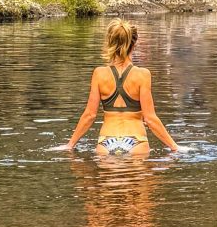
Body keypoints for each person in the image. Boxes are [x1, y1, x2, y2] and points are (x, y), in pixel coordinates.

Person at [63, 19, 179, 156]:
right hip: (136, 142)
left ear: (110, 42)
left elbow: (89, 115)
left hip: (107, 143)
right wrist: (174, 147)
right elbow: (150, 119)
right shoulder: (143, 75)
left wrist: (70, 145)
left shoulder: (99, 74)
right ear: (133, 44)